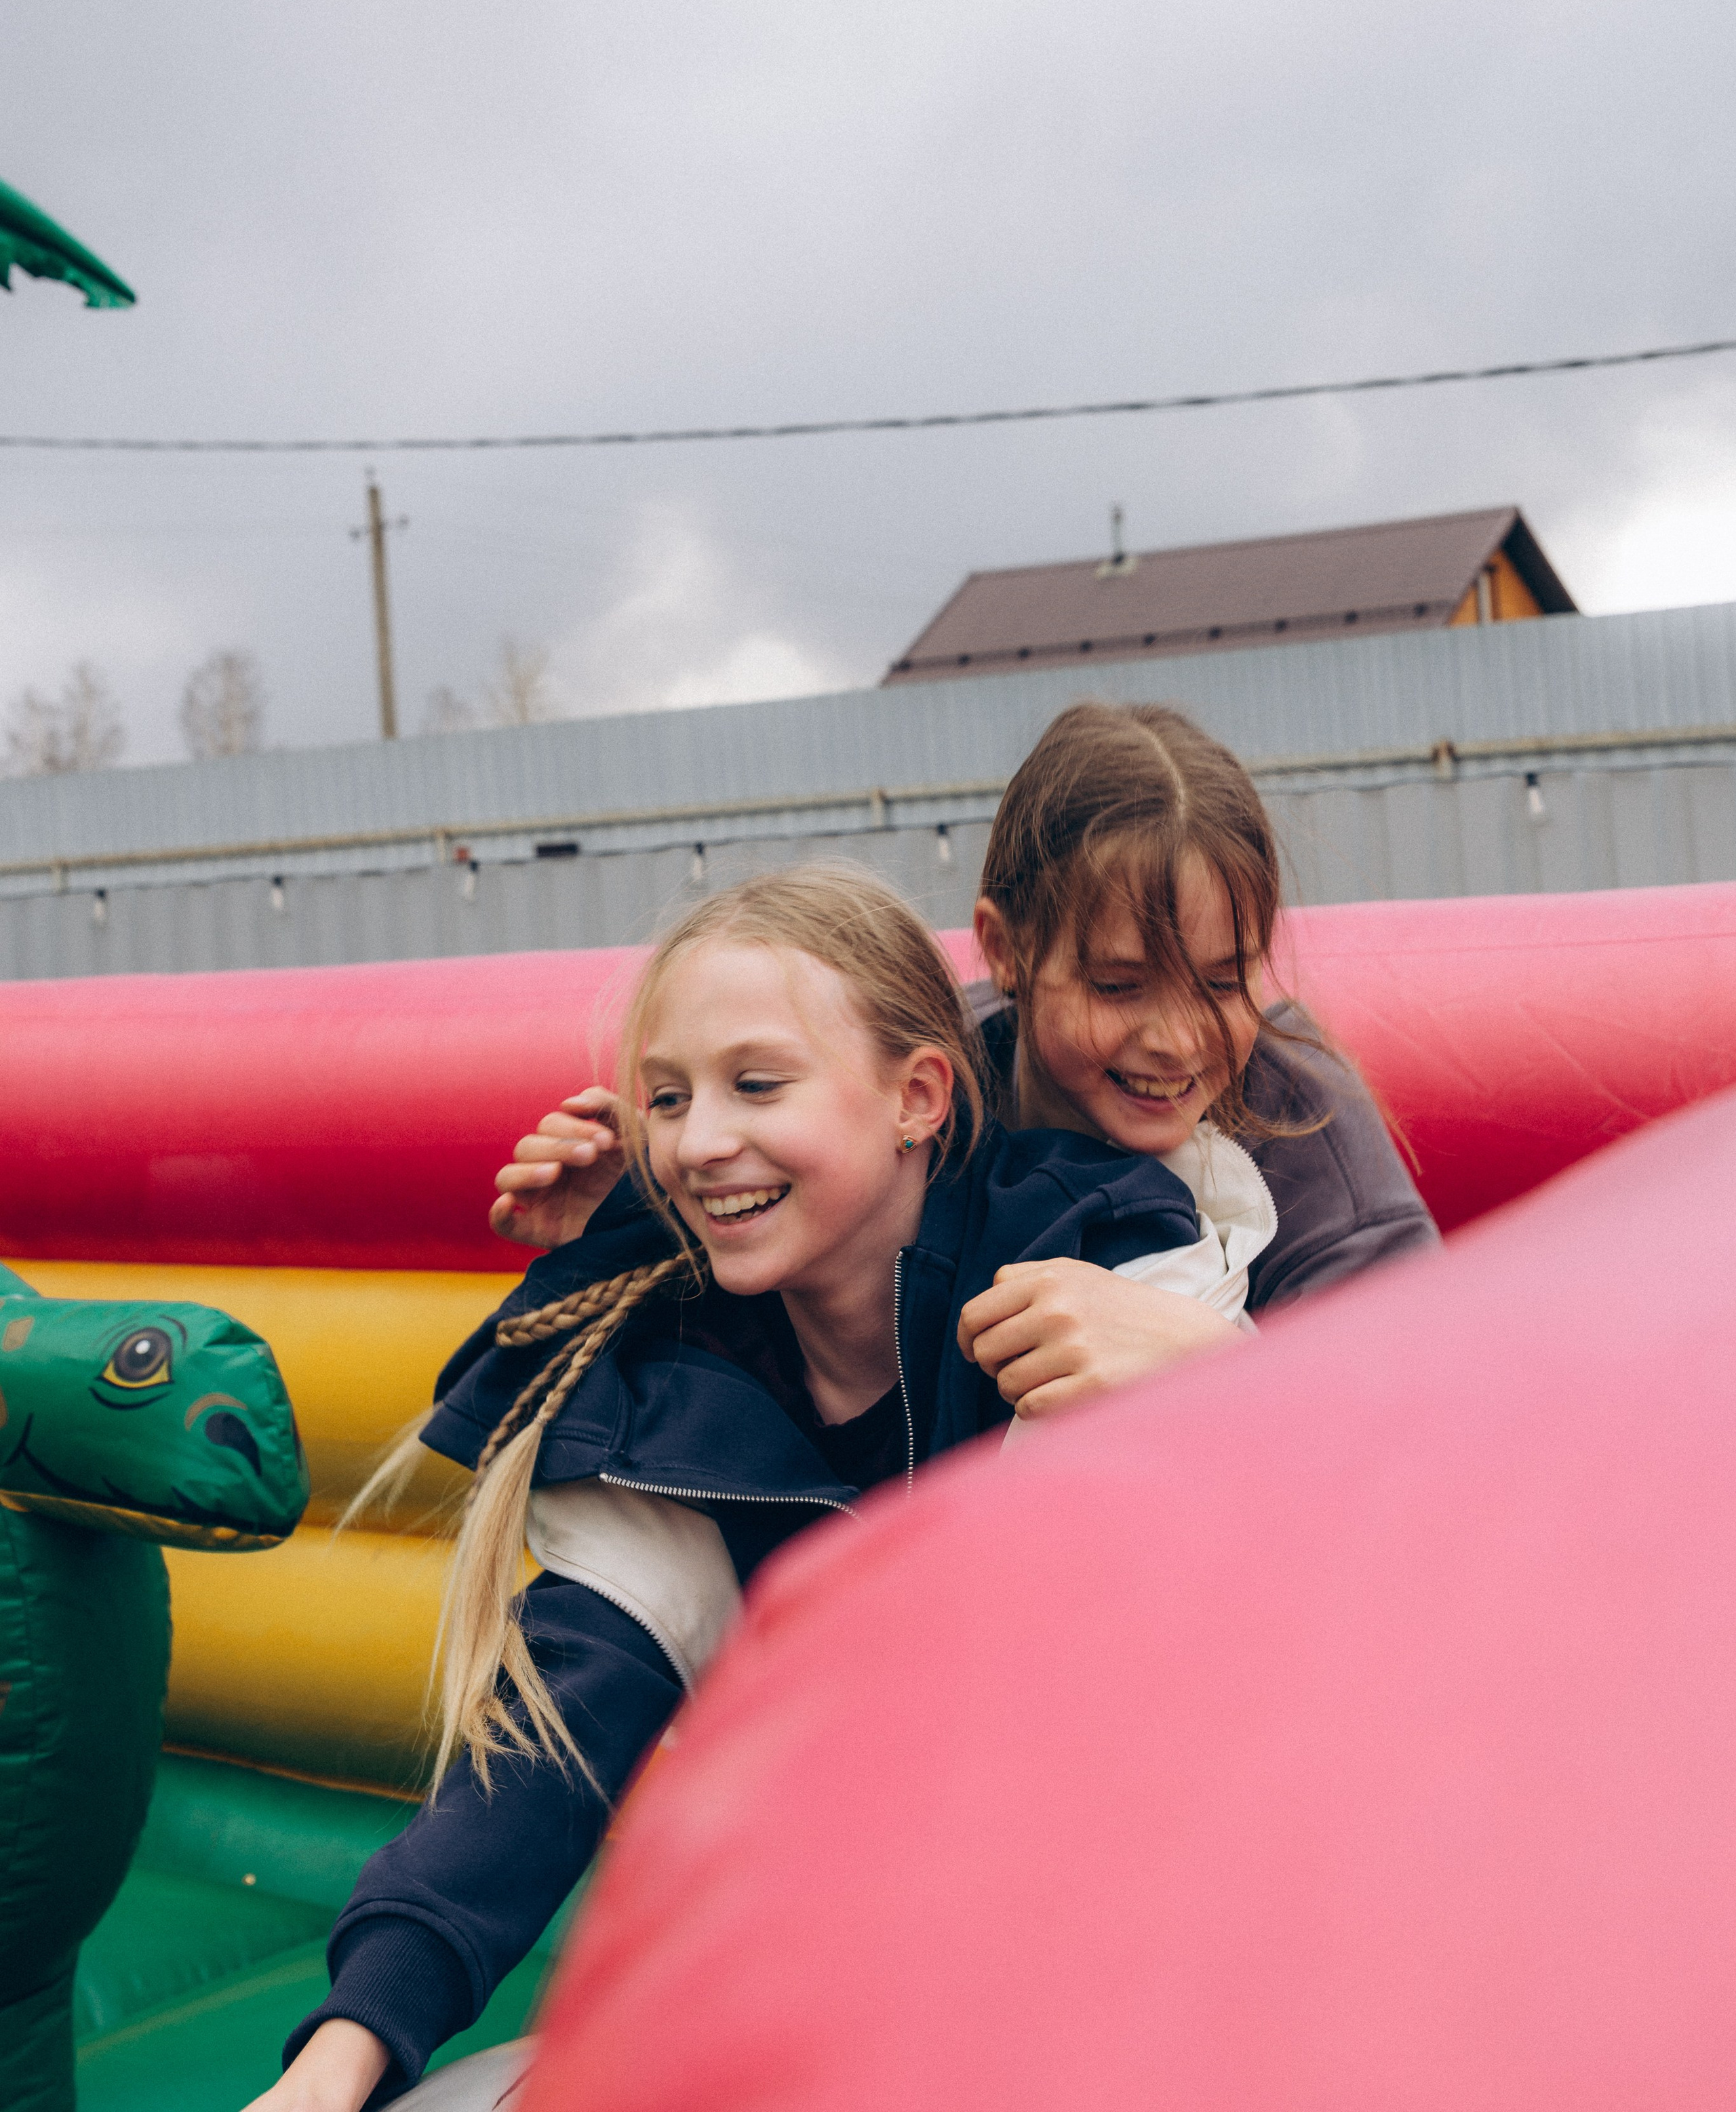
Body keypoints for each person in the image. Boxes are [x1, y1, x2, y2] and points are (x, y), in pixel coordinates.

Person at [254, 865, 1222, 2112]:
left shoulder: (1099, 1273)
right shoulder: (677, 1392)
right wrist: (343, 2055)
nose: (699, 1142)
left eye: (757, 1084)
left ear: (918, 1096)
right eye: (667, 1097)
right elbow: (539, 1763)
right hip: (862, 1976)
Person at [953, 698, 1440, 1421]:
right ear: (1003, 951)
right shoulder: (932, 1104)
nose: (1179, 1042)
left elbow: (1426, 1425)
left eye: (1222, 982)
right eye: (1117, 985)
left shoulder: (1303, 1136)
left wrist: (1207, 1359)